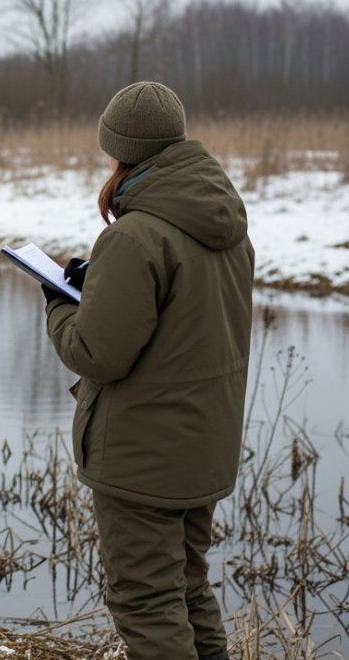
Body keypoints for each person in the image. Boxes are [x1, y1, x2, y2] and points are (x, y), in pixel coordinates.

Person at [43, 82, 253, 660]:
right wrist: (103, 288)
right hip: (202, 449)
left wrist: (58, 303)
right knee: (187, 587)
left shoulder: (134, 236)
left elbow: (96, 353)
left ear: (123, 152)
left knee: (146, 603)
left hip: (143, 461)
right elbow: (183, 324)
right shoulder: (228, 227)